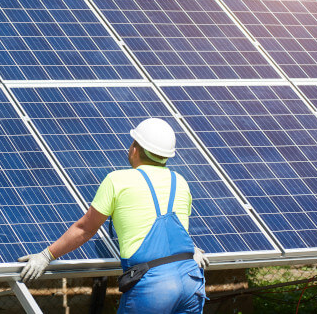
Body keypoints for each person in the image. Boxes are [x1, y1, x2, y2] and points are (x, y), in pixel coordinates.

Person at [18, 118, 208, 313]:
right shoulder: (181, 182)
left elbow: (85, 228)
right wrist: (191, 248)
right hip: (190, 280)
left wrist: (46, 255)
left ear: (135, 148)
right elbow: (176, 229)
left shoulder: (118, 180)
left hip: (154, 286)